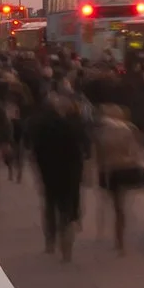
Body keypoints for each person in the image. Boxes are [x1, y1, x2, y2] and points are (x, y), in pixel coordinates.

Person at [30, 90, 88, 261]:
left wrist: (39, 171)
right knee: (66, 208)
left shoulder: (44, 125)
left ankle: (50, 240)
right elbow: (82, 151)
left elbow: (37, 150)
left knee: (50, 206)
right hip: (70, 174)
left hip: (50, 172)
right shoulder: (75, 126)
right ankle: (66, 246)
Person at [92, 100, 144, 254]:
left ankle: (111, 234)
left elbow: (98, 154)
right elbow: (137, 151)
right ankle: (120, 240)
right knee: (121, 206)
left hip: (109, 169)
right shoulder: (130, 129)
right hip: (127, 168)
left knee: (112, 202)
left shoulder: (102, 131)